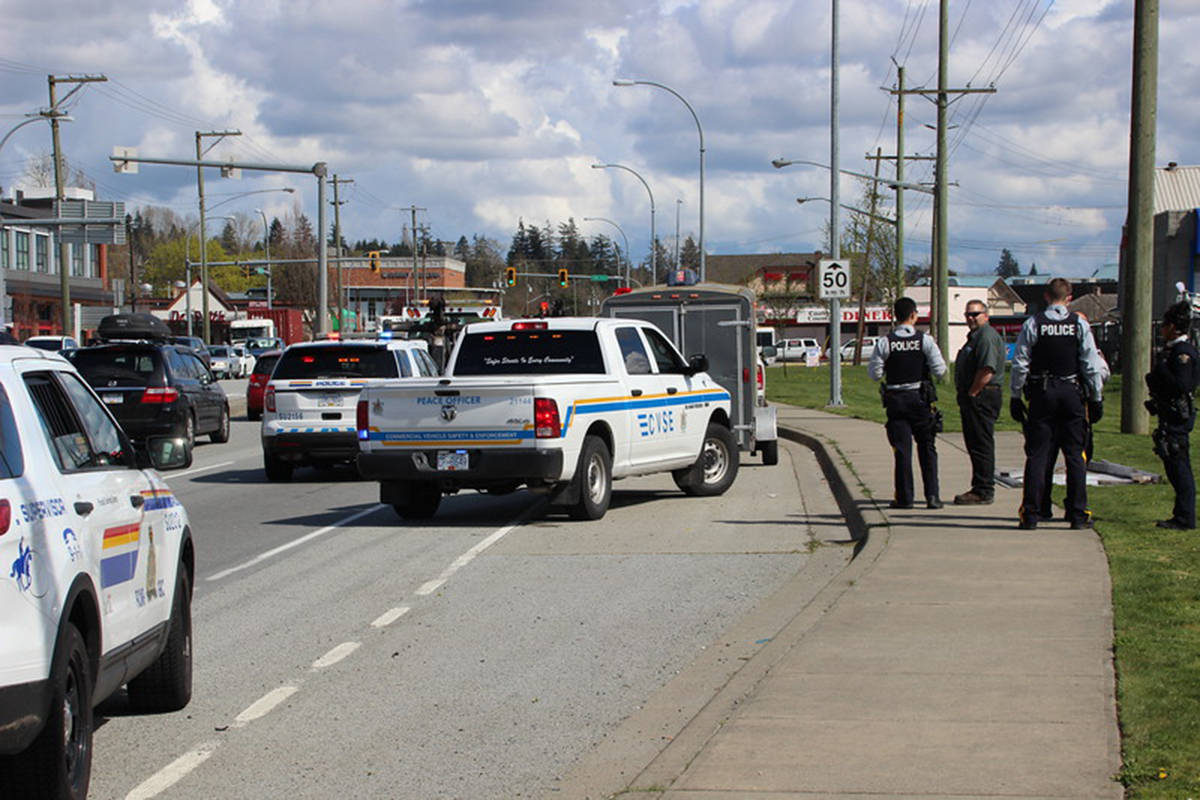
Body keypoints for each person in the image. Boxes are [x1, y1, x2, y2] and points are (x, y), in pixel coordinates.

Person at [1009, 278, 1105, 529]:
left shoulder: (1034, 323)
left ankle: (1031, 513)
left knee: (1038, 454)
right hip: (1071, 392)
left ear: (1046, 296)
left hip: (1042, 392)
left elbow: (1020, 363)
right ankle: (1078, 514)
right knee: (1075, 455)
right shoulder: (1078, 324)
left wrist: (1016, 396)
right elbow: (1091, 363)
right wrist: (1096, 397)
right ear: (1069, 298)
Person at [869, 296, 948, 510]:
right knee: (927, 448)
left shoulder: (886, 342)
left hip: (896, 401)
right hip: (920, 400)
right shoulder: (925, 340)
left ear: (895, 316)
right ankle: (932, 496)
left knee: (902, 451)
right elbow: (940, 370)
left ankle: (904, 498)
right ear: (914, 315)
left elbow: (875, 374)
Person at [1145, 301, 1200, 530]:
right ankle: (1180, 513)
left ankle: (1185, 516)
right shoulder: (1173, 351)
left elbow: (1181, 385)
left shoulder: (1182, 353)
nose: (1162, 330)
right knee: (1172, 465)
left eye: (1165, 325)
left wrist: (1161, 370)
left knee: (1179, 466)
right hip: (1169, 414)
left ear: (1173, 328)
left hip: (1178, 416)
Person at [953, 299, 1005, 505]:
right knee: (975, 443)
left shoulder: (986, 336)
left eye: (975, 314)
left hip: (983, 395)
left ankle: (983, 490)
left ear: (986, 315)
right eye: (968, 314)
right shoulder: (975, 337)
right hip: (977, 395)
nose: (971, 318)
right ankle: (979, 487)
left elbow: (987, 370)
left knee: (981, 444)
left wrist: (973, 393)